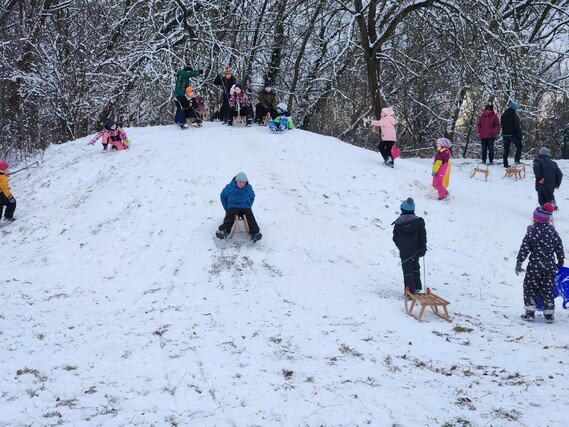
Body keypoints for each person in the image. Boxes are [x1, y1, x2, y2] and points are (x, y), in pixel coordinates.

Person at [516, 203, 564, 323]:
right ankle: (548, 314)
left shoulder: (532, 232)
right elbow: (559, 247)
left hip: (535, 266)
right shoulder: (552, 232)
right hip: (549, 265)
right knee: (547, 288)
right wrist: (560, 261)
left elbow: (524, 248)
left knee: (529, 287)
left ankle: (530, 312)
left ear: (536, 219)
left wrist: (519, 261)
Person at [393, 197, 427, 294]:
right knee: (415, 267)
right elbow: (422, 236)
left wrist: (401, 247)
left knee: (407, 271)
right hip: (416, 250)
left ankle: (409, 291)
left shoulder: (398, 223)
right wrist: (422, 248)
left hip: (405, 251)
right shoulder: (419, 222)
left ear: (402, 209)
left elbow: (395, 237)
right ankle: (417, 287)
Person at [216, 172, 262, 242]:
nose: (242, 184)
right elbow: (223, 196)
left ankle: (255, 233)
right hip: (233, 206)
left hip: (245, 207)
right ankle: (224, 231)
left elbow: (252, 197)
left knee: (250, 218)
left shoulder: (248, 188)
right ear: (236, 180)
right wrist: (227, 208)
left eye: (244, 182)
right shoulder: (229, 187)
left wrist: (249, 206)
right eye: (240, 182)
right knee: (229, 217)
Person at [501, 101, 523, 168]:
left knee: (506, 149)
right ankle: (517, 161)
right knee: (519, 146)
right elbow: (516, 126)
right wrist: (519, 136)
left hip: (505, 134)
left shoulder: (503, 115)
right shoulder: (513, 115)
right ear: (514, 108)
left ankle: (505, 163)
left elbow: (502, 125)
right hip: (512, 134)